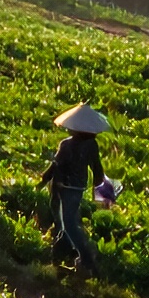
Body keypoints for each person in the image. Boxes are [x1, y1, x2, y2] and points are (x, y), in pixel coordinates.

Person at [39, 103, 110, 276]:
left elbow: (55, 167)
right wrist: (101, 192)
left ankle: (86, 259)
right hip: (77, 187)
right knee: (64, 222)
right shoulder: (91, 145)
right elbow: (97, 169)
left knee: (68, 223)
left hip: (63, 186)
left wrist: (42, 182)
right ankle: (58, 256)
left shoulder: (66, 144)